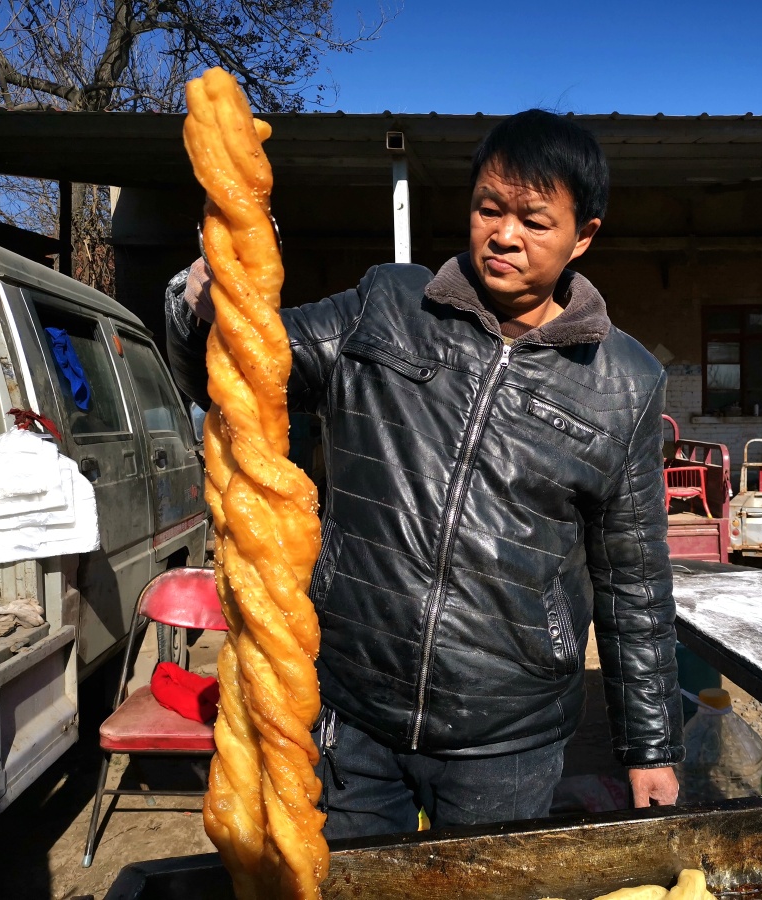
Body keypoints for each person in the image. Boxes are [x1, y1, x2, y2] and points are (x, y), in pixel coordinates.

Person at [166, 109, 683, 838]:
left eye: (535, 220)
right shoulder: (389, 306)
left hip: (507, 734)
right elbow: (244, 376)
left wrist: (650, 746)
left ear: (583, 235)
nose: (504, 235)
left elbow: (633, 578)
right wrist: (199, 307)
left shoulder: (623, 382)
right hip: (353, 710)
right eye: (488, 209)